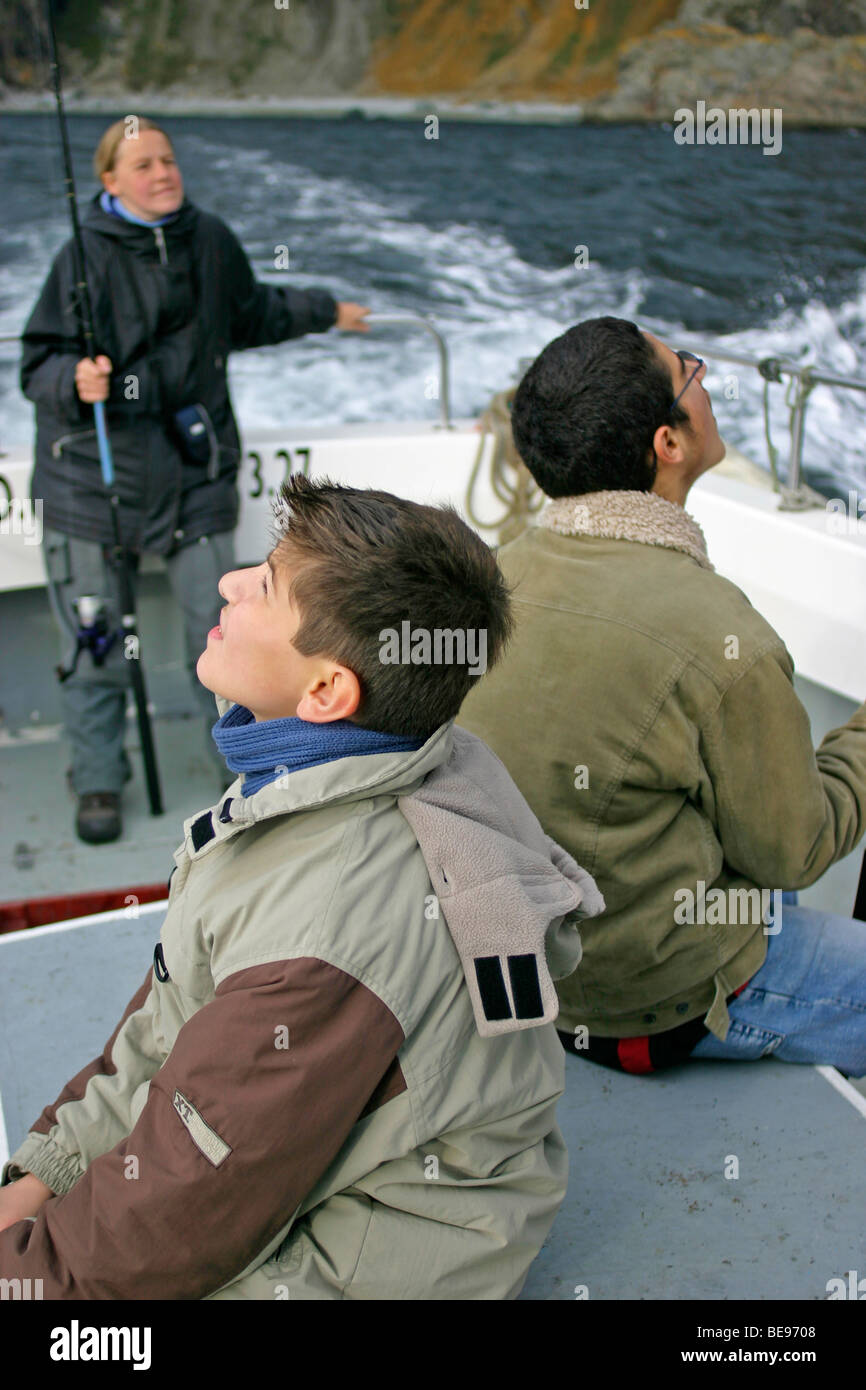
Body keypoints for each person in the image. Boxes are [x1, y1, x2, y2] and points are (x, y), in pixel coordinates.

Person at [0, 474, 604, 1300]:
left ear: (324, 691)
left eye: (266, 585)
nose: (228, 583)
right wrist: (42, 1176)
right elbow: (175, 1020)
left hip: (400, 1241)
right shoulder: (361, 758)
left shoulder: (324, 931)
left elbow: (176, 1211)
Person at [457, 315, 866, 1077]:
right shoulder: (720, 635)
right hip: (654, 1000)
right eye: (688, 370)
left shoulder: (483, 583)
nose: (704, 378)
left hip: (541, 971)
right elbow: (796, 851)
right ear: (667, 445)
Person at [21, 115, 370, 845]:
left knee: (228, 640)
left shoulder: (209, 239)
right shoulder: (80, 256)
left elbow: (254, 312)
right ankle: (95, 779)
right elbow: (36, 363)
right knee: (96, 650)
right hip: (93, 487)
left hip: (194, 479)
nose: (162, 173)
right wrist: (71, 378)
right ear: (111, 182)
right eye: (143, 164)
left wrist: (327, 311)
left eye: (169, 159)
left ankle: (246, 781)